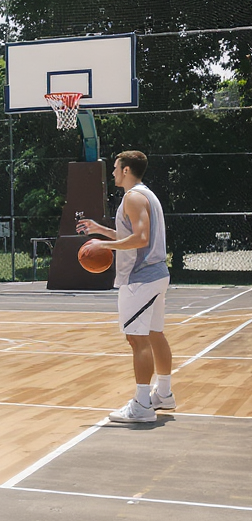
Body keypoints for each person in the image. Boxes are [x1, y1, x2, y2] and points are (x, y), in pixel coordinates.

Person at [77, 150, 173, 424]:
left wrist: (103, 245)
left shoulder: (132, 197)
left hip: (140, 279)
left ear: (127, 170)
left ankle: (142, 405)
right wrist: (102, 231)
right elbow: (134, 236)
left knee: (137, 339)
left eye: (116, 168)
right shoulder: (146, 195)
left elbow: (140, 239)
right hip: (154, 275)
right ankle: (163, 394)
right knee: (155, 334)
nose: (114, 172)